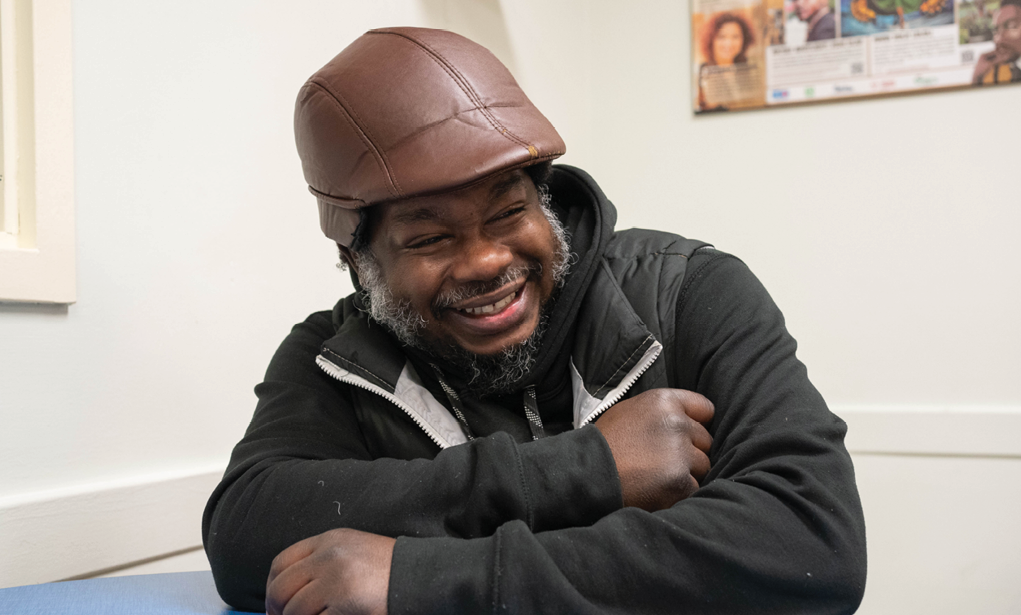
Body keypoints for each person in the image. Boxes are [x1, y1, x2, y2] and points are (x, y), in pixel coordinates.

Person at [203, 27, 867, 615]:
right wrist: (585, 469)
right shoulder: (334, 354)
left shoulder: (687, 292)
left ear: (543, 197)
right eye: (429, 239)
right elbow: (245, 532)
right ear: (357, 259)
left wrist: (427, 579)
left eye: (506, 212)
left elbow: (809, 541)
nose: (487, 260)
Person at [696, 13, 757, 111]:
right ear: (711, 40)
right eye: (721, 37)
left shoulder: (745, 69)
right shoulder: (704, 72)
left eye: (735, 37)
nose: (729, 43)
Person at [973, 0, 1021, 84]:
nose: (998, 39)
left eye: (1011, 26)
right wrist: (977, 78)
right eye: (996, 31)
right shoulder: (999, 72)